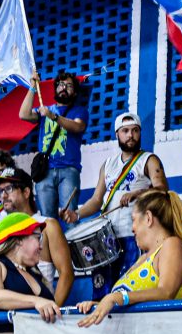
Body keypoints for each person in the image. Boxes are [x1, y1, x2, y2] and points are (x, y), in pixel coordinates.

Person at [62, 112, 167, 297]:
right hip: (107, 237)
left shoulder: (149, 159)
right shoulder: (108, 164)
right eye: (125, 131)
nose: (130, 135)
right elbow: (96, 200)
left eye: (135, 131)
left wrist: (137, 194)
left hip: (135, 235)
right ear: (117, 134)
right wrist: (76, 214)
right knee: (102, 291)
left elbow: (162, 189)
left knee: (129, 288)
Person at [75, 189, 182, 326]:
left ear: (148, 218)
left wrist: (116, 297)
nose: (132, 228)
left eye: (133, 220)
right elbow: (127, 300)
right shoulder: (143, 259)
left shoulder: (172, 244)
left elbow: (166, 292)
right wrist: (98, 306)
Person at [0, 169, 74, 304]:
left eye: (9, 189)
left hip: (40, 311)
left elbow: (66, 274)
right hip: (2, 311)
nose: (3, 196)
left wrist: (52, 309)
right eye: (0, 191)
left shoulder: (48, 226)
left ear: (26, 192)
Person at [19, 70, 88, 220]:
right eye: (61, 84)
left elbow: (77, 127)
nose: (64, 88)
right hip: (45, 171)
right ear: (56, 88)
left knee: (70, 217)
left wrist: (53, 116)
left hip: (69, 169)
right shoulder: (46, 110)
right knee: (47, 220)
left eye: (69, 86)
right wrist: (32, 87)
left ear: (75, 93)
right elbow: (23, 114)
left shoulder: (79, 111)